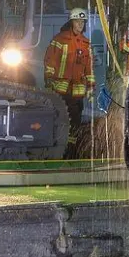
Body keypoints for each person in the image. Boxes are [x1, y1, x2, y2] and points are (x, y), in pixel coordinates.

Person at [45, 8, 95, 157]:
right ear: (71, 22)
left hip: (77, 92)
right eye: (77, 21)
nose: (80, 24)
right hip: (60, 89)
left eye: (82, 22)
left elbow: (89, 67)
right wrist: (49, 78)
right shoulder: (60, 40)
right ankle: (56, 150)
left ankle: (71, 153)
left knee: (75, 122)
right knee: (60, 119)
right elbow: (50, 60)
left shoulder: (86, 43)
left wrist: (91, 87)